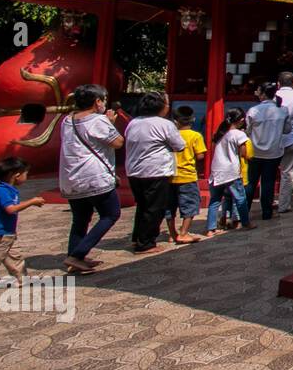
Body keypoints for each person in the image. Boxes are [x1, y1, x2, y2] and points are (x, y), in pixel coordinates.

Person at [58, 83, 123, 272]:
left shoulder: (67, 120)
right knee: (111, 214)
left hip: (71, 177)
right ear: (97, 101)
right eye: (103, 99)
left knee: (80, 219)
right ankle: (78, 254)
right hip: (94, 176)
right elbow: (118, 142)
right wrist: (110, 123)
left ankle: (75, 257)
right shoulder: (98, 121)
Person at [123, 92, 185, 253]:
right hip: (156, 170)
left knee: (143, 205)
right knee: (155, 207)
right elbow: (179, 145)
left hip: (134, 170)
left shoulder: (133, 122)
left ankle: (138, 237)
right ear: (161, 107)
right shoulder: (164, 124)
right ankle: (146, 242)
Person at [0, 157, 43, 287]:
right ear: (16, 175)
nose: (26, 177)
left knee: (15, 257)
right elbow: (11, 209)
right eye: (26, 174)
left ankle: (22, 279)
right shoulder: (2, 191)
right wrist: (32, 202)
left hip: (6, 233)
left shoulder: (8, 190)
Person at [246, 82, 291, 221]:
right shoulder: (282, 110)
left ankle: (243, 212)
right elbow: (287, 130)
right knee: (268, 182)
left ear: (264, 94)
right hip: (273, 151)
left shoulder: (253, 111)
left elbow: (247, 131)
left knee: (251, 182)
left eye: (259, 91)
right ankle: (266, 212)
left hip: (255, 151)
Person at [205, 109, 254, 236]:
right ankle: (245, 222)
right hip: (231, 171)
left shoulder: (221, 133)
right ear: (241, 120)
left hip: (216, 170)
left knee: (215, 200)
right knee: (240, 198)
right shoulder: (239, 134)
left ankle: (211, 228)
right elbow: (243, 153)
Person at [165, 106, 206, 244]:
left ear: (175, 121)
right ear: (193, 119)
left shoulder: (170, 136)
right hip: (188, 176)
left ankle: (172, 234)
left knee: (170, 207)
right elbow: (200, 155)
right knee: (190, 205)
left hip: (170, 175)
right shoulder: (196, 136)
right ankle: (183, 232)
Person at [275, 72, 293, 212]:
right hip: (291, 138)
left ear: (278, 83)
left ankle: (267, 203)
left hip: (272, 140)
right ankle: (283, 205)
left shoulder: (272, 96)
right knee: (288, 173)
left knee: (268, 174)